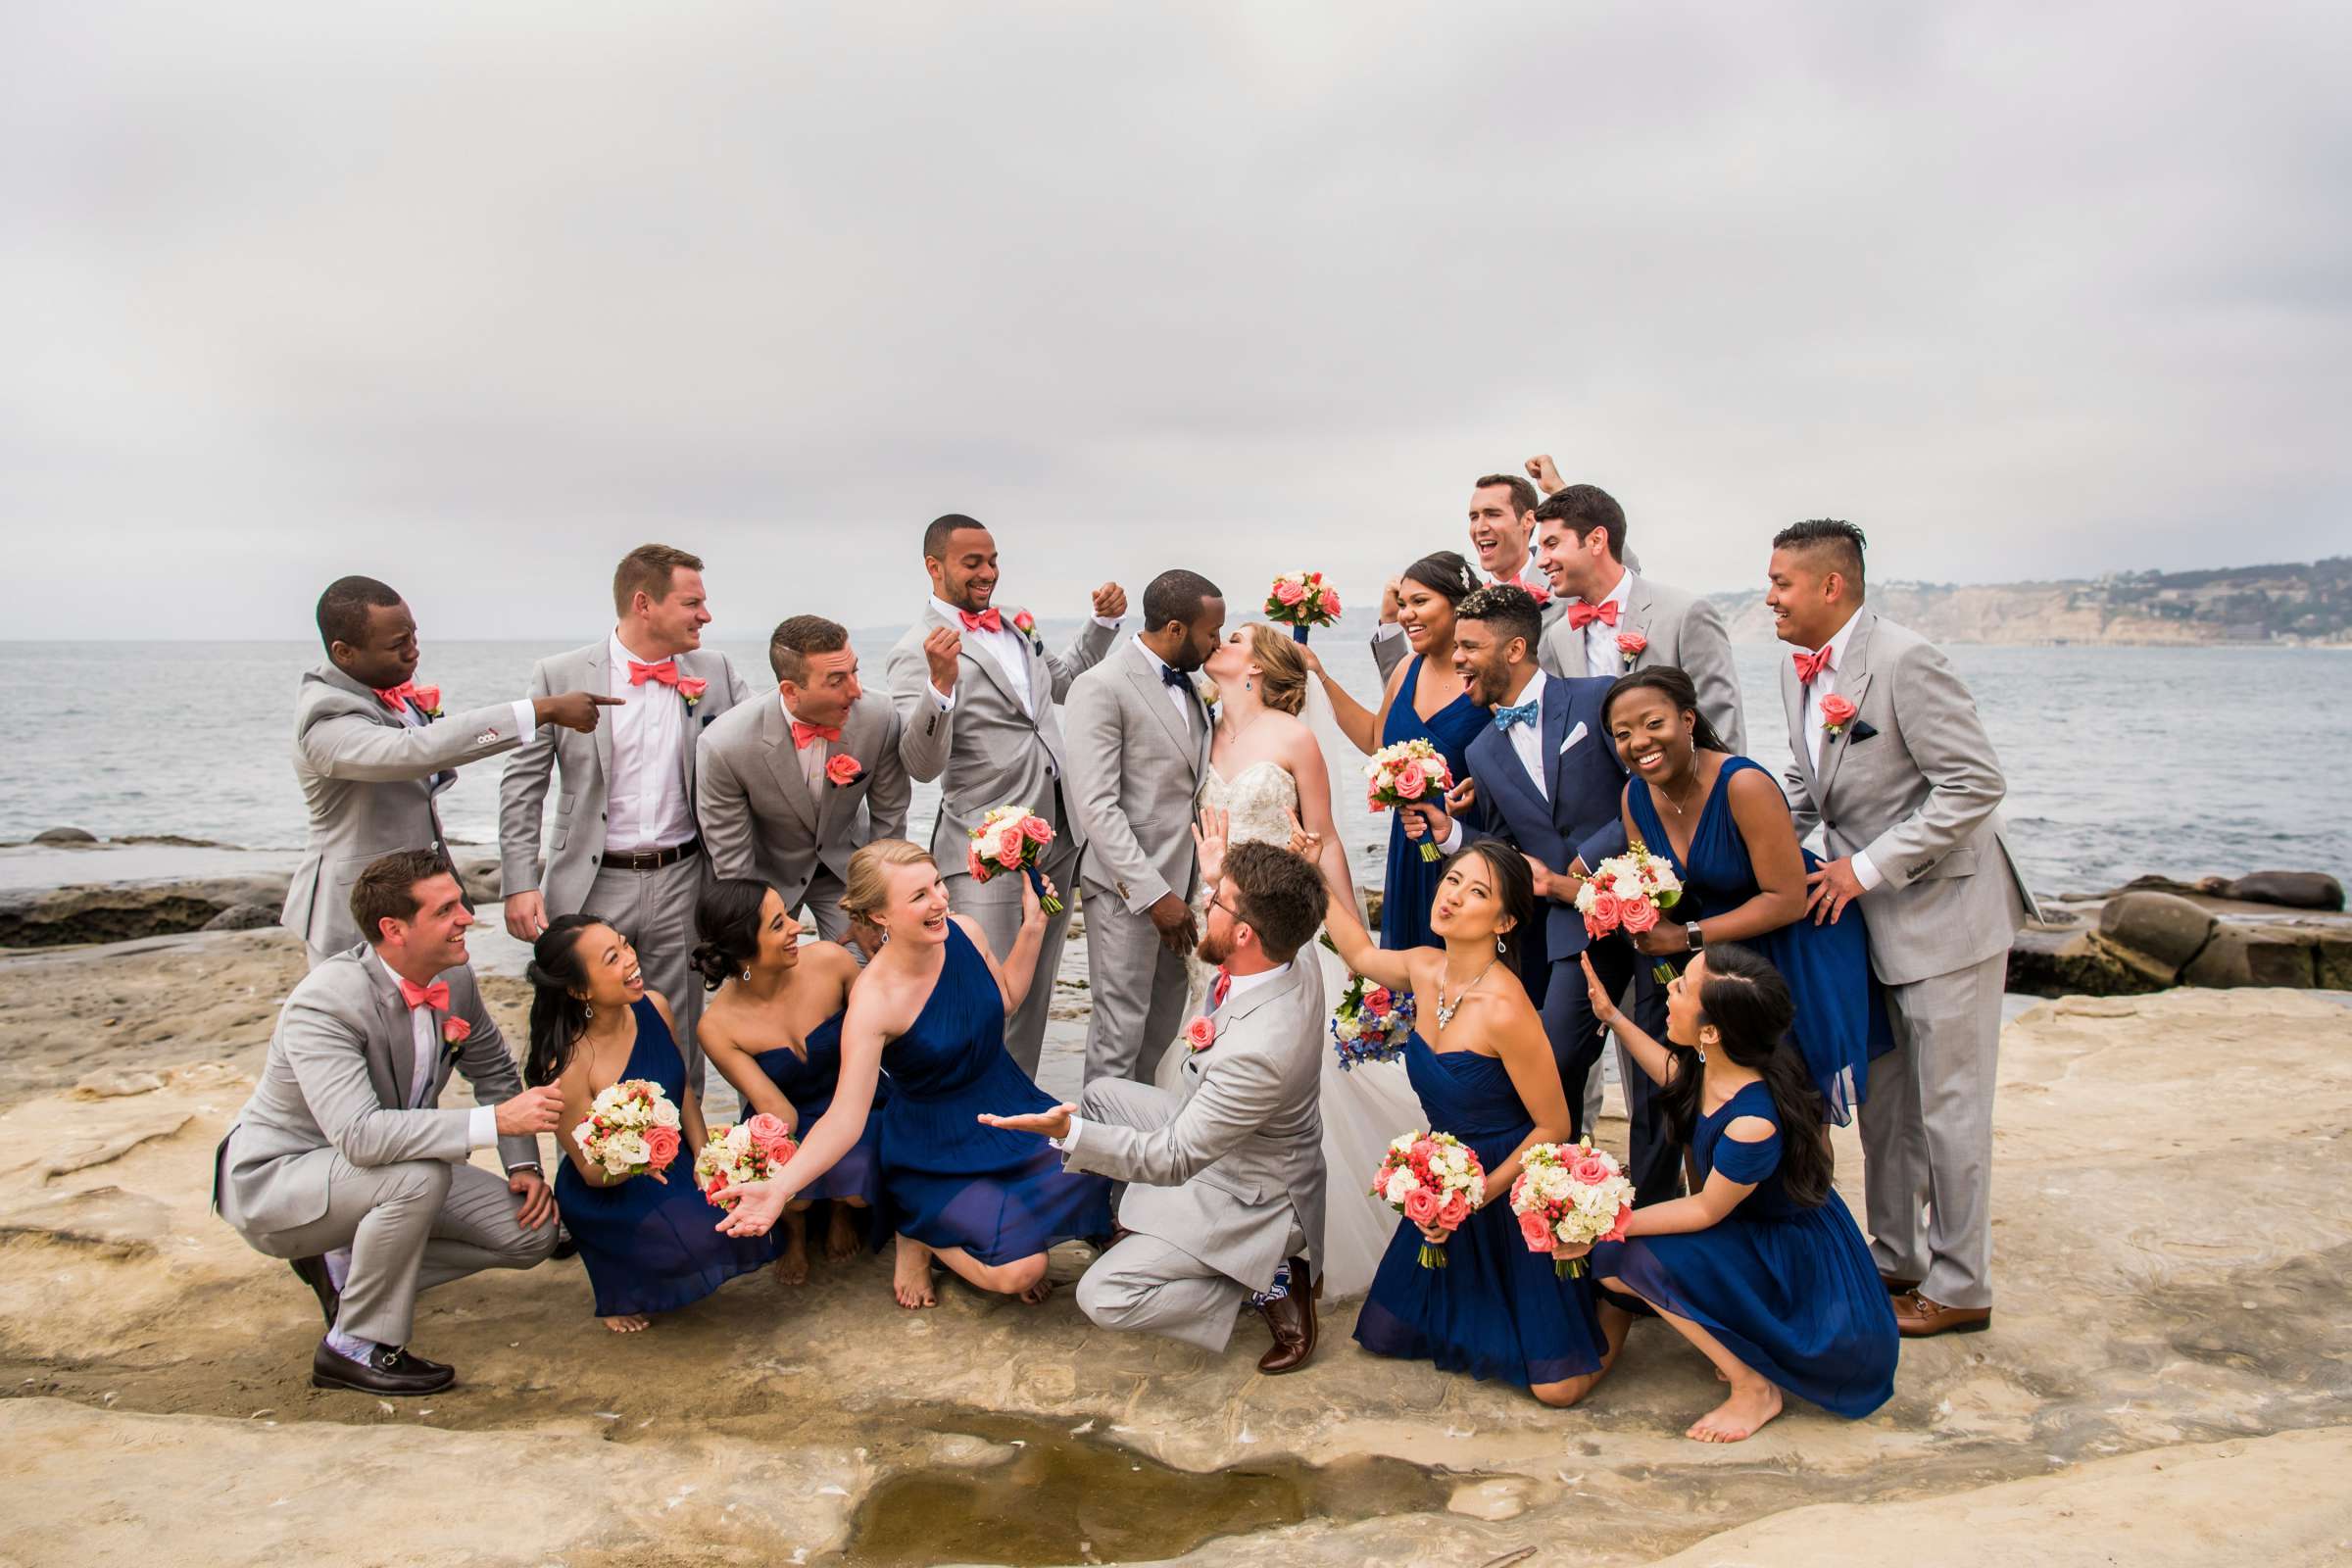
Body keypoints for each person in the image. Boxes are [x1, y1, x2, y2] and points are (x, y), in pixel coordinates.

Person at [1767, 518, 2036, 1338]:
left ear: (1830, 587)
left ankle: (1961, 1288)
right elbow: (1807, 787)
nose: (1769, 598)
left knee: (1951, 1108)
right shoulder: (1796, 671)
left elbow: (1974, 785)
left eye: (1780, 583)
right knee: (1887, 1107)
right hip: (1863, 933)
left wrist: (1864, 868)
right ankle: (1896, 1259)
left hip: (1947, 915)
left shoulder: (1907, 660)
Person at [214, 850, 564, 1396]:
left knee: (533, 1233)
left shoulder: (457, 979)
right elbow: (361, 1135)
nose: (468, 917)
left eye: (462, 903)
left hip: (383, 1170)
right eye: (447, 909)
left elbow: (494, 1069)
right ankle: (352, 1346)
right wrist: (494, 1122)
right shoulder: (325, 1004)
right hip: (281, 1179)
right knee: (419, 1176)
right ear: (393, 929)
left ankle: (346, 1275)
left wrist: (524, 1165)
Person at [980, 841, 1332, 1372]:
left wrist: (1067, 1132)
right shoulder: (1291, 950)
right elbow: (1272, 904)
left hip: (1251, 1191)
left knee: (1103, 1296)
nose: (1205, 899)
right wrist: (1227, 875)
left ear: (1243, 935)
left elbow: (1171, 1160)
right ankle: (1136, 1226)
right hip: (1223, 1130)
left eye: (1218, 898)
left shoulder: (1259, 1053)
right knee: (1102, 1093)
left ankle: (1260, 1278)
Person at [713, 840, 1109, 1311]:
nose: (940, 900)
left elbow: (1003, 1001)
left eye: (937, 883)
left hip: (1010, 1110)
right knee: (1021, 1271)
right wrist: (780, 1188)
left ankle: (981, 1222)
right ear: (880, 915)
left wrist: (1034, 925)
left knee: (1107, 1178)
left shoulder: (966, 931)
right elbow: (845, 1118)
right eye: (919, 896)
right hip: (937, 1148)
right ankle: (919, 1236)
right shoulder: (874, 1001)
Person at [1327, 841, 1625, 1406]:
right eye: (1452, 881)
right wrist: (1316, 870)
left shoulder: (1506, 1007)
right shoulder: (1422, 966)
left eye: (1477, 892)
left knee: (1557, 1389)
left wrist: (1477, 1194)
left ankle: (1616, 1307)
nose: (1453, 896)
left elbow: (1554, 1123)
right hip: (1450, 1175)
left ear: (1506, 920)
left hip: (1508, 1184)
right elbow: (1362, 954)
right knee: (1387, 1334)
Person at [1581, 945, 1900, 1442]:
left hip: (1789, 1257)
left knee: (1624, 1257)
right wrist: (1614, 1018)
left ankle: (1755, 1389)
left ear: (1710, 1032)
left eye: (1682, 987)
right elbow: (1674, 1073)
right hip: (1751, 1229)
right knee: (1617, 1255)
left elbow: (1705, 1209)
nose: (1669, 988)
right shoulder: (1721, 1066)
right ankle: (1744, 1341)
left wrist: (1602, 1221)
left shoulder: (1752, 1121)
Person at [1190, 623, 1424, 1297]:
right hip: (1220, 926)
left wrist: (1353, 942)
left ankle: (1307, 1245)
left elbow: (1325, 843)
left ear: (1258, 666)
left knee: (1301, 1081)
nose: (1221, 641)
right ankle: (1227, 1235)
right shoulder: (1203, 731)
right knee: (1218, 1072)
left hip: (1287, 925)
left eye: (1234, 637)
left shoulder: (1295, 738)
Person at [1396, 589, 1650, 1176]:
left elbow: (1644, 784)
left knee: (1660, 1086)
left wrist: (1585, 862)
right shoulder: (1483, 750)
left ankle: (1653, 1219)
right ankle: (1558, 1203)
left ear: (1515, 647)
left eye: (1468, 646)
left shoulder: (1595, 699)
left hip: (1649, 906)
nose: (1456, 658)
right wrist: (1448, 834)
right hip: (1571, 934)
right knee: (1555, 1064)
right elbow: (1501, 846)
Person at [499, 543, 754, 1095]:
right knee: (577, 1027)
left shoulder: (718, 672)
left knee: (678, 1030)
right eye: (692, 603)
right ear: (644, 603)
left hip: (684, 877)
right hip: (592, 882)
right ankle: (589, 1161)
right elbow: (524, 783)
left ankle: (685, 1161)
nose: (705, 616)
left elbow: (758, 751)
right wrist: (519, 883)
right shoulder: (558, 675)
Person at [885, 514, 1126, 1074]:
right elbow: (919, 765)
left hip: (1059, 837)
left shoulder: (1015, 627)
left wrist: (1101, 622)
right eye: (973, 562)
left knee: (1035, 991)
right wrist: (939, 686)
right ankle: (972, 1122)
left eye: (993, 560)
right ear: (934, 566)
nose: (988, 572)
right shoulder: (912, 651)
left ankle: (1016, 1116)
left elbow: (1061, 683)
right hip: (982, 851)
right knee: (986, 996)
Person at [1604, 666, 1892, 1124]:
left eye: (1653, 723)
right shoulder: (1635, 797)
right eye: (1622, 734)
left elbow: (1786, 899)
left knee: (1793, 1105)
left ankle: (1804, 1197)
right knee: (1712, 1101)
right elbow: (1653, 887)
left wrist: (1684, 938)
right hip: (1717, 958)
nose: (1639, 741)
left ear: (1688, 720)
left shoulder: (1743, 784)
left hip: (1793, 946)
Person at [283, 575, 615, 963]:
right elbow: (410, 751)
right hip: (358, 912)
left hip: (424, 902)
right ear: (344, 653)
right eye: (397, 645)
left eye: (413, 637)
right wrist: (540, 710)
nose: (413, 653)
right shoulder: (324, 717)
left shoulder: (388, 685)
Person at [525, 915, 775, 1332]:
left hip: (673, 1158)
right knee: (698, 1238)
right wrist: (637, 1160)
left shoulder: (654, 1006)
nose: (630, 959)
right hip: (612, 1187)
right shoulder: (566, 1065)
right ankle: (619, 1280)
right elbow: (590, 1172)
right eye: (612, 958)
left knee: (748, 1207)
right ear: (579, 989)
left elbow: (684, 1092)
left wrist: (703, 1155)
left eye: (625, 945)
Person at [1064, 569, 1224, 1086]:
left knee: (1160, 1038)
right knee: (1117, 1038)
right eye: (1211, 632)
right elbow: (1097, 806)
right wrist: (1156, 896)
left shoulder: (1196, 689)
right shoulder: (1100, 686)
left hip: (1185, 890)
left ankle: (1140, 1158)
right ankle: (1095, 1162)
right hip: (1126, 892)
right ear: (1176, 629)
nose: (1217, 643)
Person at [692, 876, 884, 1284]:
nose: (798, 926)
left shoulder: (833, 961)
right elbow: (777, 1111)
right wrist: (774, 1164)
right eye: (779, 924)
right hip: (786, 1110)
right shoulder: (717, 1025)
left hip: (856, 1097)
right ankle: (794, 1230)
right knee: (788, 1189)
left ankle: (839, 1209)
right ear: (744, 949)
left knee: (854, 1187)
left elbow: (888, 1028)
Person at [1307, 551, 1488, 952]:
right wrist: (1320, 677)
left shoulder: (1484, 677)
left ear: (1459, 605)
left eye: (1420, 602)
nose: (1406, 615)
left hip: (1466, 845)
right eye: (1403, 604)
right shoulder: (1407, 668)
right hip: (1408, 843)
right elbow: (1376, 740)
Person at [697, 615, 911, 944]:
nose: (855, 691)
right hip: (768, 879)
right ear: (790, 691)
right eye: (837, 680)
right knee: (767, 978)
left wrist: (876, 908)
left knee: (866, 966)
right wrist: (762, 931)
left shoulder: (879, 715)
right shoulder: (725, 745)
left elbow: (890, 824)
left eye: (854, 671)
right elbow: (733, 863)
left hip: (847, 873)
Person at [1531, 483, 1745, 751]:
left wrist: (1718, 790)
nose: (1541, 561)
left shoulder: (1685, 614)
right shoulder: (1561, 635)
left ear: (1596, 540)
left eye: (1552, 544)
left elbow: (1722, 723)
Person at [1372, 475, 1556, 682]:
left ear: (1528, 520)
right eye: (1474, 517)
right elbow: (1407, 695)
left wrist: (1557, 488)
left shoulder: (1565, 588)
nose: (1480, 527)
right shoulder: (1465, 608)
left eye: (1493, 514)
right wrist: (1389, 621)